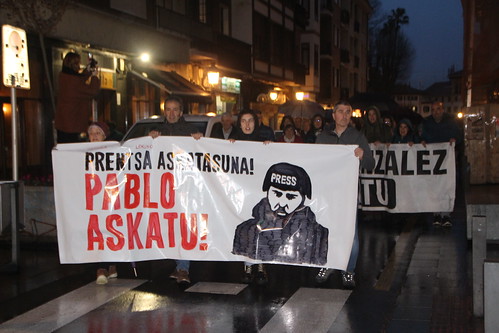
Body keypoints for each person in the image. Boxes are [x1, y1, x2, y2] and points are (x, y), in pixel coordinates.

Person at [315, 100, 375, 289]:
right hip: (327, 194)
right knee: (325, 233)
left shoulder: (358, 137)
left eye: (347, 112)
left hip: (348, 195)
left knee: (351, 235)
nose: (343, 115)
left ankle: (349, 270)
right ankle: (328, 265)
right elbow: (313, 163)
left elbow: (371, 164)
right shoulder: (323, 138)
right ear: (333, 115)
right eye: (340, 111)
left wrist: (363, 155)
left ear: (350, 116)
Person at [149, 95, 203, 284]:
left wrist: (199, 140)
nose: (171, 113)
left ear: (181, 112)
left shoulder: (190, 131)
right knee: (168, 225)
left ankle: (183, 268)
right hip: (162, 188)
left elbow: (202, 154)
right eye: (168, 109)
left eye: (175, 109)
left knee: (183, 224)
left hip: (185, 187)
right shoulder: (156, 132)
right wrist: (150, 139)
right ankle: (178, 264)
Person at [232, 162, 328, 265]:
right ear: (268, 192)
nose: (282, 203)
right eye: (277, 194)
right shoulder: (245, 230)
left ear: (302, 199)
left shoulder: (318, 235)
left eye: (291, 197)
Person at [229, 109, 271, 284]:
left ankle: (260, 265)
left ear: (256, 123)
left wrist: (270, 148)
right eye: (243, 121)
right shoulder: (233, 141)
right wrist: (228, 146)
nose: (247, 125)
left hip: (260, 193)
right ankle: (247, 265)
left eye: (251, 121)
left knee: (261, 227)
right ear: (239, 124)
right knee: (246, 228)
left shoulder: (264, 142)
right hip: (241, 194)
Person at [86, 121, 117, 284]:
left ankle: (107, 265)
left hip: (109, 198)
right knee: (97, 230)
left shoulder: (112, 151)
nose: (94, 136)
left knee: (110, 228)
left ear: (105, 136)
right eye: (91, 133)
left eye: (98, 133)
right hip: (92, 199)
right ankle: (104, 266)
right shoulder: (81, 153)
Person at [421, 101, 462, 227]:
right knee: (435, 186)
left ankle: (446, 214)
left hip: (447, 159)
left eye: (438, 109)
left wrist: (455, 140)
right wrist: (422, 141)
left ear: (443, 110)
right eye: (433, 110)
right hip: (433, 159)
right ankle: (436, 214)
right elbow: (423, 136)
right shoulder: (427, 123)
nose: (435, 112)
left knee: (446, 185)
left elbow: (459, 136)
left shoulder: (451, 122)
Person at [55, 52, 101, 143]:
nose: (79, 66)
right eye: (78, 64)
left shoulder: (63, 77)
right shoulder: (74, 82)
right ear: (74, 65)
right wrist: (95, 76)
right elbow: (93, 91)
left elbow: (78, 79)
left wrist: (88, 70)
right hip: (73, 126)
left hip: (63, 125)